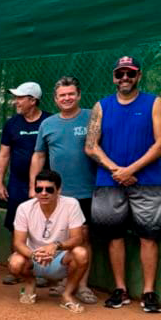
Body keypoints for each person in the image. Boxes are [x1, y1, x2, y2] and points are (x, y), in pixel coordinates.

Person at [86, 56, 161, 313]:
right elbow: (91, 146)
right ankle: (120, 289)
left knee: (149, 236)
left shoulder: (154, 103)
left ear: (138, 76)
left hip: (147, 182)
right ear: (114, 77)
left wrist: (130, 170)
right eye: (120, 73)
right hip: (109, 182)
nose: (125, 78)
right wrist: (117, 171)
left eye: (130, 73)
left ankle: (148, 292)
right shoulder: (101, 106)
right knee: (114, 236)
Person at [29, 76, 98, 304]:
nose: (67, 98)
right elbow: (39, 156)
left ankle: (83, 286)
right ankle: (65, 281)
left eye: (71, 94)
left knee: (83, 237)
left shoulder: (92, 117)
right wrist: (33, 187)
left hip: (86, 191)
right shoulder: (48, 124)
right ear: (55, 99)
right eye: (62, 95)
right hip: (57, 193)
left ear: (78, 95)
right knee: (61, 237)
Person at [8, 169, 90, 313]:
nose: (43, 193)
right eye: (39, 189)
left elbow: (78, 238)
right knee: (15, 263)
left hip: (61, 259)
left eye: (49, 189)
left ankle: (67, 294)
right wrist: (34, 255)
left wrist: (56, 246)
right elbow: (18, 243)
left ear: (59, 190)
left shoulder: (71, 204)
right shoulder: (24, 208)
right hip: (34, 258)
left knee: (81, 253)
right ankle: (30, 283)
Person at [0, 83, 50, 283]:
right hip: (17, 183)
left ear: (33, 100)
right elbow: (4, 154)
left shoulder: (49, 121)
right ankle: (15, 268)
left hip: (45, 184)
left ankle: (41, 270)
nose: (15, 102)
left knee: (44, 226)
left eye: (20, 98)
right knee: (16, 225)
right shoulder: (12, 123)